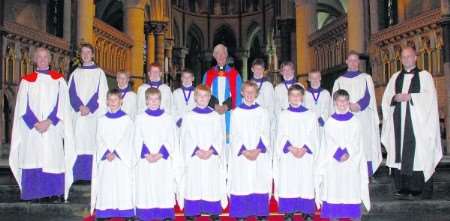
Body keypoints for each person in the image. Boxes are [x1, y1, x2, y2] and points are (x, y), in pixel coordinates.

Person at [9, 47, 76, 202]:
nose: (43, 59)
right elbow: (22, 106)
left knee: (52, 158)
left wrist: (49, 121)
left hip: (52, 127)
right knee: (33, 157)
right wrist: (35, 123)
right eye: (39, 56)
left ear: (50, 59)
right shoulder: (26, 81)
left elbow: (62, 105)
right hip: (32, 129)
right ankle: (33, 194)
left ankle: (53, 193)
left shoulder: (59, 80)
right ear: (34, 59)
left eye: (45, 56)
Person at [381, 47, 442, 200]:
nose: (406, 59)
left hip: (417, 125)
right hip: (398, 124)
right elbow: (387, 97)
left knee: (417, 154)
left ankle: (417, 187)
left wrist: (411, 97)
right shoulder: (395, 77)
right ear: (400, 59)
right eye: (403, 57)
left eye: (409, 56)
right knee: (399, 153)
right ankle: (402, 187)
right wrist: (395, 98)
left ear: (416, 57)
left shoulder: (424, 76)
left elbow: (430, 98)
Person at [315, 89, 370, 221]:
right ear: (335, 102)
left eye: (345, 101)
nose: (343, 103)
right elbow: (328, 141)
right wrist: (339, 153)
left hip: (351, 163)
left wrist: (348, 152)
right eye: (340, 101)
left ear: (348, 102)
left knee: (351, 191)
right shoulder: (330, 122)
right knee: (334, 190)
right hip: (334, 164)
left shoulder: (355, 121)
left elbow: (357, 141)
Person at [179, 85, 227, 221]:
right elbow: (184, 137)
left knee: (211, 182)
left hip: (211, 155)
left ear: (210, 97)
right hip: (194, 155)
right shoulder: (188, 116)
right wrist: (195, 150)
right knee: (194, 182)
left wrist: (211, 150)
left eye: (206, 96)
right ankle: (192, 211)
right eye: (200, 96)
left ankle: (212, 210)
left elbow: (220, 136)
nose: (203, 98)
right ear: (195, 97)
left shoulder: (215, 116)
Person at [331, 52, 382, 177]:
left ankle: (367, 173)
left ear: (359, 62)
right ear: (346, 62)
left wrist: (358, 105)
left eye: (356, 60)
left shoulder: (365, 78)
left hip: (363, 116)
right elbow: (336, 99)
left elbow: (368, 96)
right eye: (351, 60)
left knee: (364, 143)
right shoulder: (339, 81)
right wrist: (348, 106)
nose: (353, 63)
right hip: (346, 117)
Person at [274, 84, 319, 221]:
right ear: (288, 97)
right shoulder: (283, 115)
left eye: (298, 95)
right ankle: (289, 211)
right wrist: (291, 148)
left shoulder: (311, 115)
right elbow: (280, 135)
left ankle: (307, 211)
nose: (295, 98)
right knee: (289, 181)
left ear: (302, 97)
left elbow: (314, 136)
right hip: (289, 154)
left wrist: (305, 148)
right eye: (292, 95)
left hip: (306, 154)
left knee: (306, 181)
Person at [134, 88, 180, 221]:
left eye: (156, 99)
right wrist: (146, 153)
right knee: (146, 185)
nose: (153, 102)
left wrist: (161, 154)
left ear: (160, 101)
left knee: (163, 184)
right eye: (150, 99)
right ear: (146, 101)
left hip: (162, 159)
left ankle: (164, 213)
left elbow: (171, 139)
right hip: (145, 159)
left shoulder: (167, 118)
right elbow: (137, 139)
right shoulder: (140, 118)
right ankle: (145, 213)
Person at [228, 81, 271, 221]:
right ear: (242, 93)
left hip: (259, 154)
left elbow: (266, 133)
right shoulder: (236, 112)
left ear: (257, 94)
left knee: (259, 181)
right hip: (242, 155)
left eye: (252, 92)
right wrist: (245, 151)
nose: (250, 95)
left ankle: (260, 212)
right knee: (242, 182)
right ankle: (241, 213)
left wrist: (258, 149)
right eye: (247, 92)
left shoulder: (263, 112)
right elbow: (234, 135)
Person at [90, 89, 134, 221]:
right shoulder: (102, 120)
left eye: (116, 99)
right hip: (106, 159)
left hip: (121, 159)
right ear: (106, 101)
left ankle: (126, 212)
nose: (113, 102)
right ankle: (104, 212)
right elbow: (98, 139)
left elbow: (128, 138)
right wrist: (105, 152)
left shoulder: (127, 120)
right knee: (106, 185)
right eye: (110, 99)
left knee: (123, 184)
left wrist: (116, 152)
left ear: (121, 101)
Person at [68, 43, 109, 182]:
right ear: (80, 55)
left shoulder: (99, 73)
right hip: (78, 114)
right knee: (78, 141)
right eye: (83, 52)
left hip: (93, 115)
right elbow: (71, 92)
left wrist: (89, 107)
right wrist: (80, 106)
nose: (85, 55)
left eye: (88, 52)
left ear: (92, 55)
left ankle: (92, 175)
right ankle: (78, 175)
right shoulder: (75, 73)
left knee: (91, 141)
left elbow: (101, 93)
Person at [203, 44, 242, 142]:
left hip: (229, 113)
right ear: (214, 56)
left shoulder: (235, 74)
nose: (220, 56)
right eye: (217, 53)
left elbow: (238, 96)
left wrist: (225, 106)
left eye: (223, 53)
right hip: (212, 113)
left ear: (226, 55)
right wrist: (215, 106)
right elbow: (203, 94)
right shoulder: (208, 75)